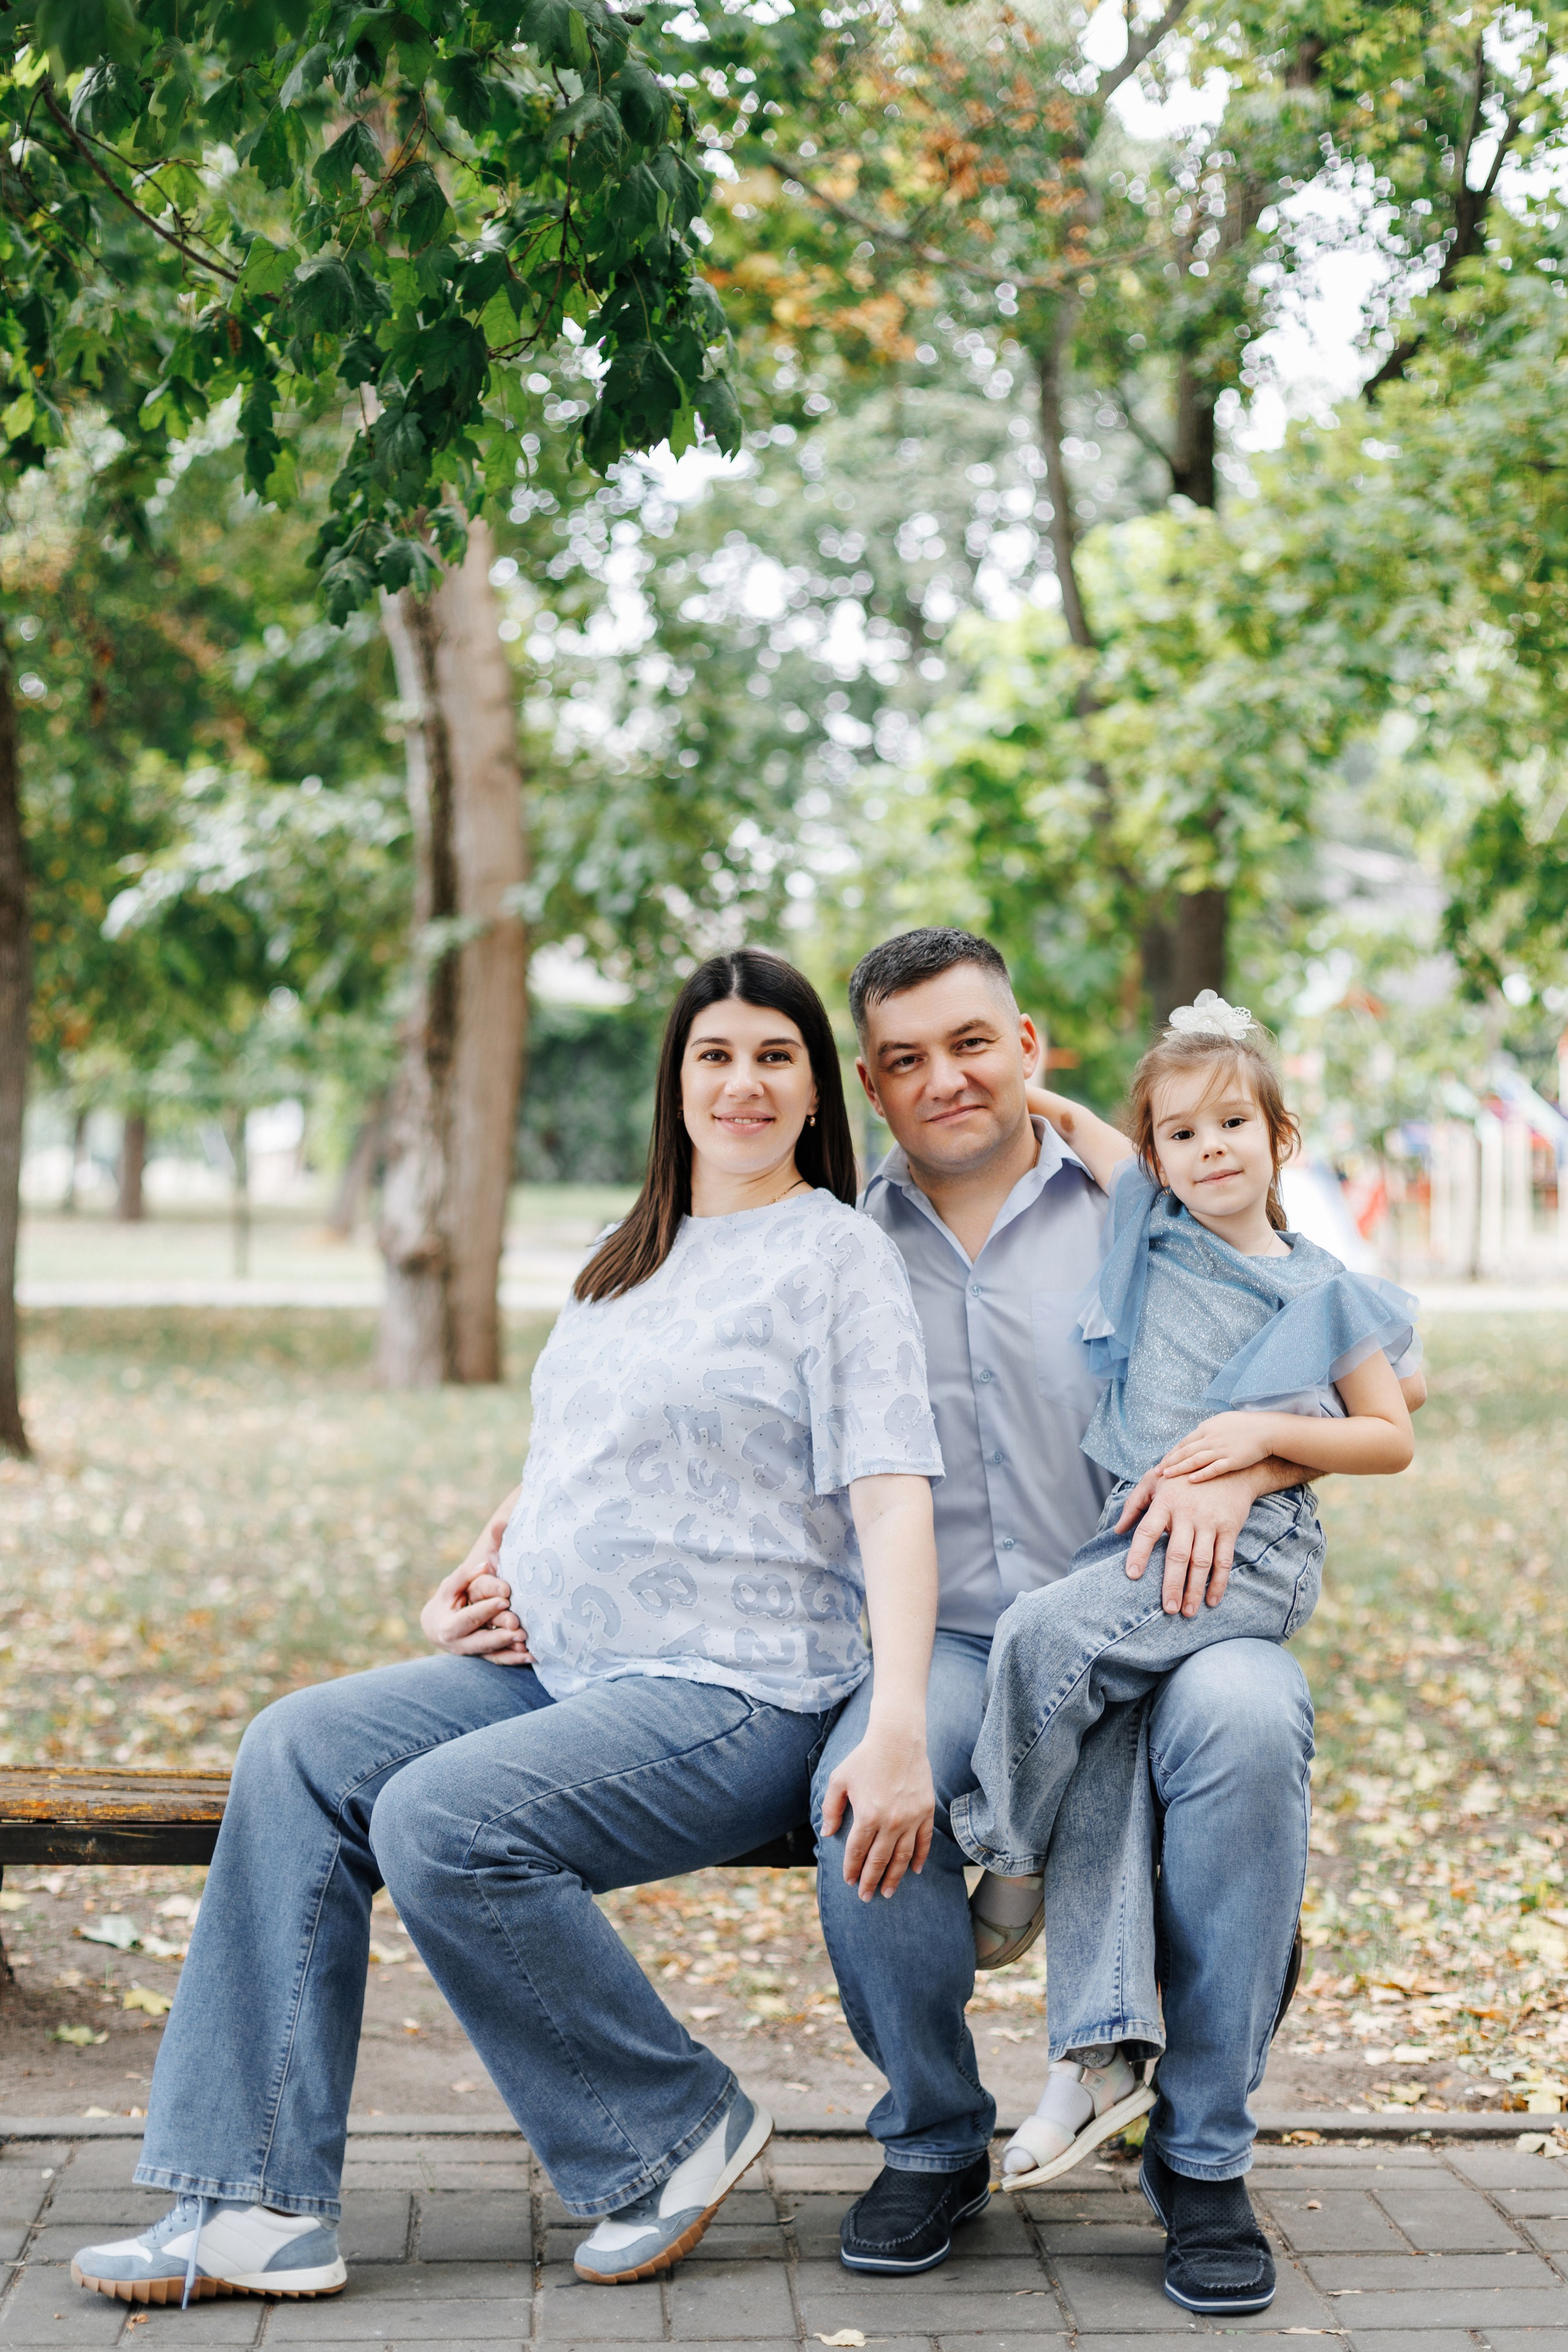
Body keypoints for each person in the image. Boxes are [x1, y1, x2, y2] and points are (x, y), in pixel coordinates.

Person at [70, 949, 944, 2309]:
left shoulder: (837, 1261)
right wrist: (471, 1580)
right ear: (675, 1083)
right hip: (556, 1668)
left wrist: (894, 1724)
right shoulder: (630, 1250)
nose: (742, 1082)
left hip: (736, 1690)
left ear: (817, 1093)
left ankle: (669, 2125)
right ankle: (251, 2204)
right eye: (712, 1054)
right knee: (298, 1747)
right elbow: (576, 1462)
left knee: (442, 1820)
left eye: (774, 1055)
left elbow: (892, 1502)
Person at [818, 927, 1425, 2309]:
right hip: (973, 1631)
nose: (946, 1079)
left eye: (976, 1043)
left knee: (1243, 1729)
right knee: (864, 1782)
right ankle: (932, 2139)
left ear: (1028, 1049)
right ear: (869, 1083)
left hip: (1188, 1594)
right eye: (907, 1059)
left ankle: (1200, 2159)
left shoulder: (1146, 1207)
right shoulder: (847, 1243)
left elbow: (1393, 1398)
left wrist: (1246, 1465)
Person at [954, 990, 1416, 2209]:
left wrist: (1259, 1433)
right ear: (1153, 1155)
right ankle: (1098, 2052)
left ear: (1279, 1141)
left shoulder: (1320, 1290)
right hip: (1136, 1550)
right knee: (1105, 1732)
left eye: (1232, 1124)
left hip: (1248, 1557)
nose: (1207, 1148)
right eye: (1179, 1133)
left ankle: (1006, 1859)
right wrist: (1030, 1096)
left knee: (1037, 1635)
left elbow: (1387, 1433)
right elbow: (1092, 1138)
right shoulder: (1149, 1228)